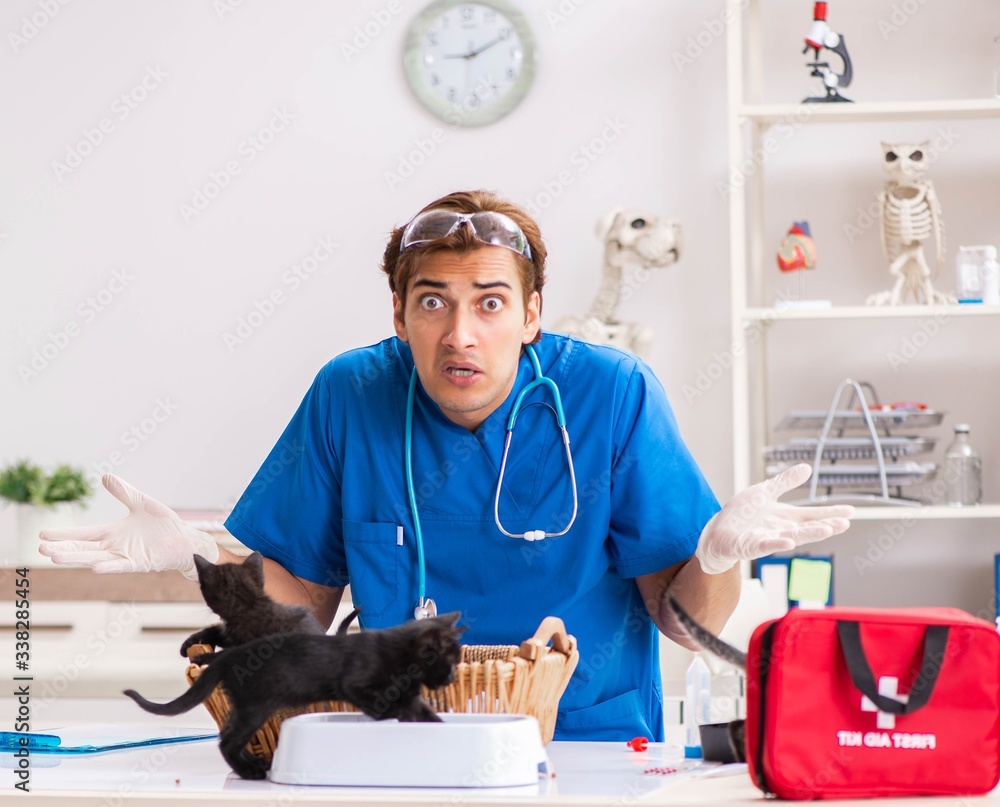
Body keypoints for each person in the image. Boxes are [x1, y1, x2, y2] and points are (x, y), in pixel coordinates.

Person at [40, 189, 853, 741]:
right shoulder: (350, 394)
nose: (460, 333)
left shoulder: (612, 393)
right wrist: (198, 559)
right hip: (397, 745)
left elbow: (686, 621)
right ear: (398, 313)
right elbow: (302, 621)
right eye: (433, 301)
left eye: (490, 302)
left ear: (532, 314)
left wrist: (716, 554)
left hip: (583, 751)